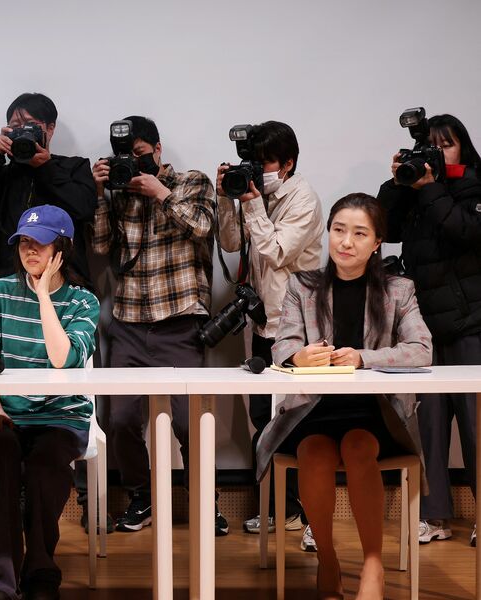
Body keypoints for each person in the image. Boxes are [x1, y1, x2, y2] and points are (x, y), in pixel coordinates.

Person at [257, 192, 432, 599]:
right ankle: (328, 557)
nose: (346, 242)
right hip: (313, 411)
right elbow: (282, 346)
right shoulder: (302, 286)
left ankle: (373, 562)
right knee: (314, 452)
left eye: (359, 233)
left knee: (357, 446)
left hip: (376, 413)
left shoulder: (398, 289)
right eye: (338, 230)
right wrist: (298, 356)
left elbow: (421, 349)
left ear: (377, 242)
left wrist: (363, 357)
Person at [90, 116, 226, 534]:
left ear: (158, 149)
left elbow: (203, 226)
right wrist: (100, 194)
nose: (132, 162)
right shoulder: (119, 191)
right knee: (120, 420)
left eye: (139, 154)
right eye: (125, 156)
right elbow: (101, 245)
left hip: (180, 321)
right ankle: (141, 495)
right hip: (129, 322)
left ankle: (204, 500)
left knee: (190, 422)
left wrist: (160, 193)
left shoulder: (191, 182)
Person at [0, 205, 99, 600]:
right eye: (24, 242)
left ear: (62, 250)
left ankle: (40, 572)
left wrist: (42, 295)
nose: (30, 250)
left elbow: (63, 358)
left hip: (59, 415)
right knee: (1, 452)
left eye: (40, 242)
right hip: (0, 411)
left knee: (45, 465)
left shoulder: (82, 302)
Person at [215, 121, 324, 547]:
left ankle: (315, 519)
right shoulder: (251, 193)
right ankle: (285, 509)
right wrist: (228, 200)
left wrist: (253, 204)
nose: (258, 171)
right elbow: (229, 243)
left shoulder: (303, 198)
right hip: (262, 322)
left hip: (298, 327)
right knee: (264, 418)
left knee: (303, 422)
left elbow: (275, 251)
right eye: (253, 163)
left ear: (288, 163)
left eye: (265, 163)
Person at [378, 113, 481, 546]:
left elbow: (466, 231)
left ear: (464, 148)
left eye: (446, 144)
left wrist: (432, 187)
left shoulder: (473, 186)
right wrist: (397, 184)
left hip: (471, 324)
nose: (437, 153)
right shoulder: (415, 189)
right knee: (432, 428)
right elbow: (385, 227)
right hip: (425, 330)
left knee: (477, 427)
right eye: (430, 146)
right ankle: (435, 515)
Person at [0, 92, 97, 281]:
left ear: (50, 128)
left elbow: (84, 210)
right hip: (9, 279)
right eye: (16, 127)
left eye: (31, 125)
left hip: (62, 278)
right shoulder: (3, 173)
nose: (24, 132)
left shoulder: (74, 167)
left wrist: (46, 168)